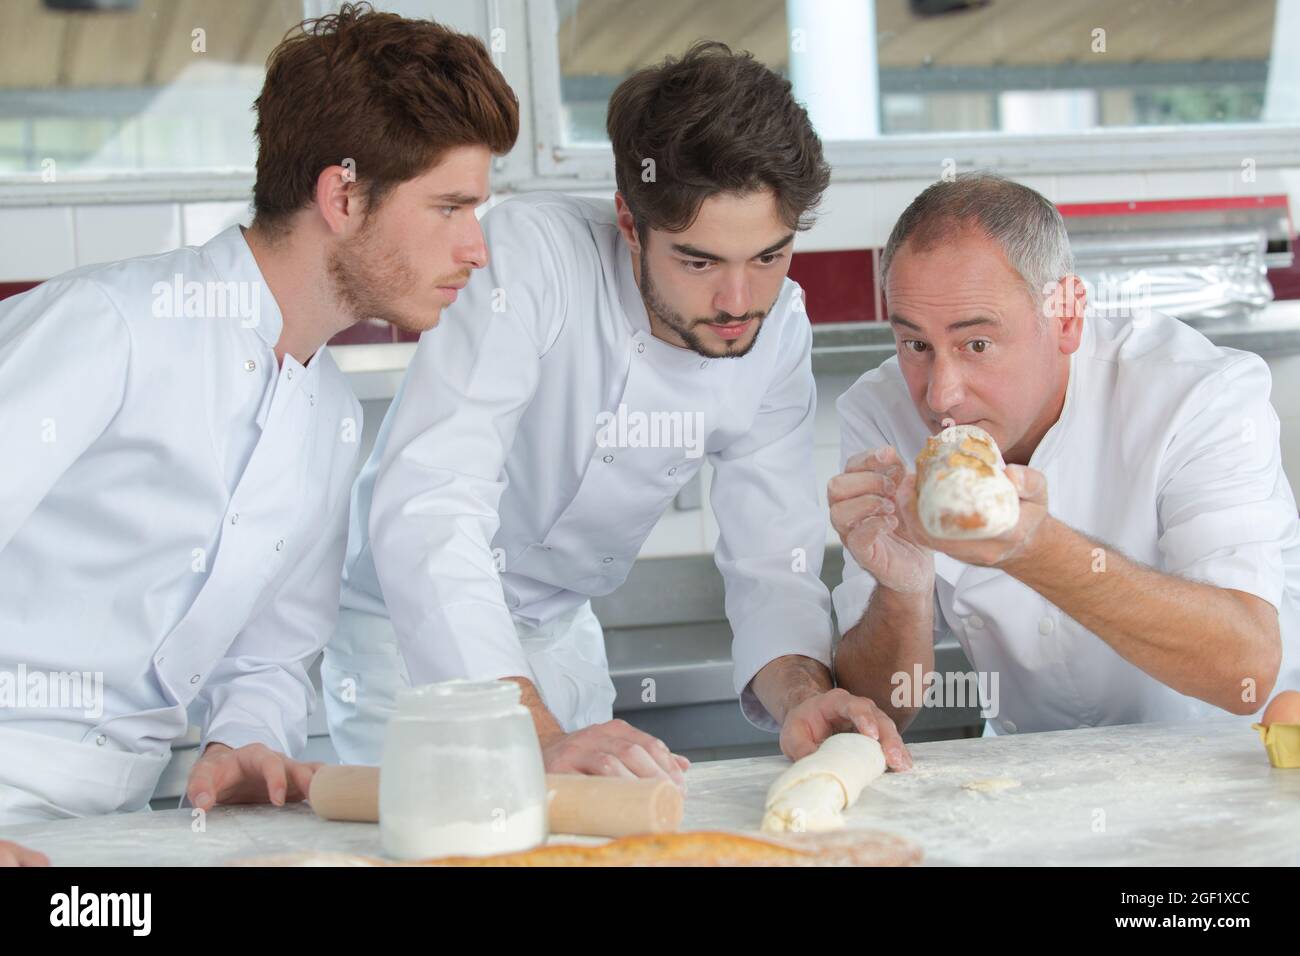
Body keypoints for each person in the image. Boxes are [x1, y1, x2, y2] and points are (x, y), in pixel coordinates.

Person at [0, 3, 518, 850]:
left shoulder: (331, 416)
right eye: (451, 209)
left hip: (115, 828)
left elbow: (271, 659)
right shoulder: (113, 327)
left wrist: (247, 741)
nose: (476, 249)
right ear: (343, 196)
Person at [325, 42, 912, 783]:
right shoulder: (530, 261)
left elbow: (772, 561)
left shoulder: (780, 329)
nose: (738, 302)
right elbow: (431, 506)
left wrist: (804, 696)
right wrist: (533, 734)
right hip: (413, 645)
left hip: (564, 637)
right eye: (699, 262)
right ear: (629, 223)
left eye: (768, 256)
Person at [830, 172, 1298, 735]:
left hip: (1235, 760)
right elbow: (874, 711)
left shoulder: (1198, 395)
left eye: (977, 344)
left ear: (1067, 317)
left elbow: (1244, 669)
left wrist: (1035, 547)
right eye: (916, 344)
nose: (940, 394)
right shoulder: (878, 415)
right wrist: (900, 590)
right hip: (1027, 775)